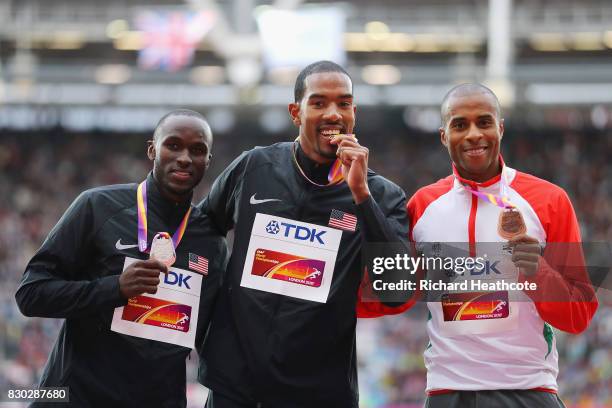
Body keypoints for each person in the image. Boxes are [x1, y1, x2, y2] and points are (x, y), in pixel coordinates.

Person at [364, 83, 598, 407]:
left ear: (500, 128)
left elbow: (579, 315)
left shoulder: (548, 201)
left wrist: (538, 273)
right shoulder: (422, 206)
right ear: (444, 135)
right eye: (460, 124)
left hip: (529, 390)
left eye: (484, 122)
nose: (474, 134)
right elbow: (396, 293)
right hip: (448, 392)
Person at [197, 60, 409, 407]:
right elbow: (203, 227)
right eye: (318, 102)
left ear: (354, 112)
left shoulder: (382, 195)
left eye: (343, 103)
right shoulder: (254, 167)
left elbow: (395, 293)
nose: (333, 113)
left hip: (320, 393)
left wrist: (361, 197)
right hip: (237, 388)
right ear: (296, 112)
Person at [15, 109, 227, 407]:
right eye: (173, 145)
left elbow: (210, 339)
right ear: (153, 149)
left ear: (208, 160)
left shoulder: (212, 242)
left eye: (197, 150)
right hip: (78, 398)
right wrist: (114, 289)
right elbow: (31, 294)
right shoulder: (97, 207)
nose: (184, 157)